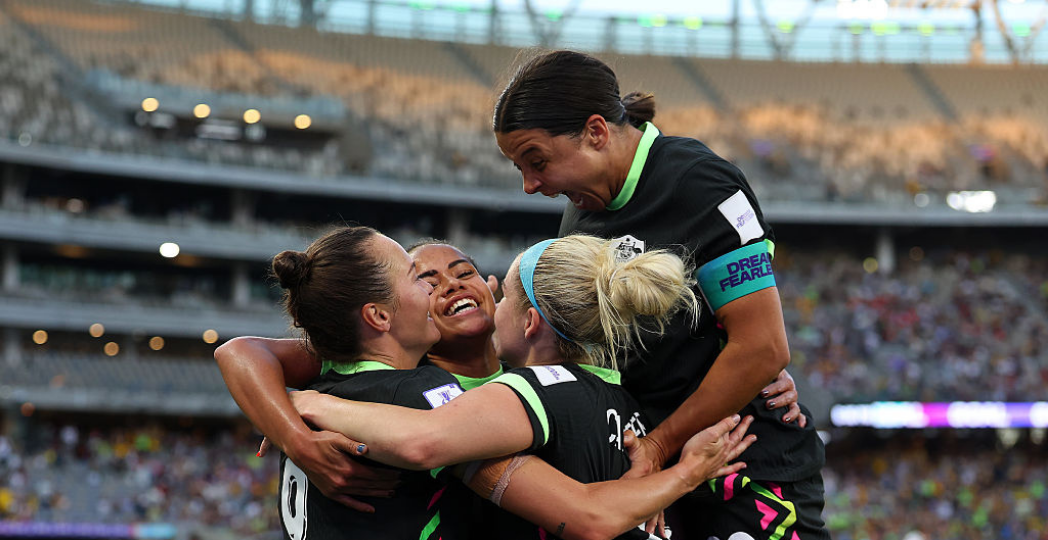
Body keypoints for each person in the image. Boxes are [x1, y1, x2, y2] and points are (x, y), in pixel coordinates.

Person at [217, 228, 756, 540]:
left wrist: (293, 411)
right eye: (419, 277)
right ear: (379, 317)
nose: (441, 288)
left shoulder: (338, 387)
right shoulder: (426, 399)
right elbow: (587, 512)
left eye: (464, 271)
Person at [492, 50, 829, 540]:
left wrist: (658, 445)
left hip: (742, 462)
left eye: (537, 161)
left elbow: (762, 348)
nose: (529, 185)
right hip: (649, 474)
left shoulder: (702, 185)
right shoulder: (579, 214)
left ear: (596, 132)